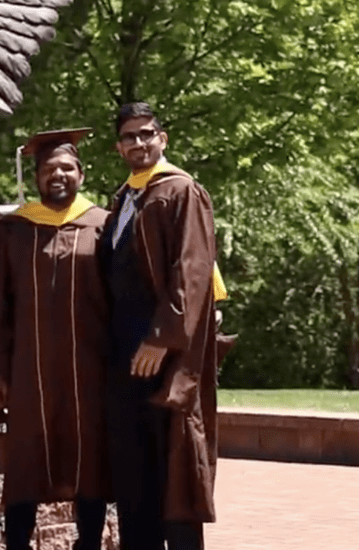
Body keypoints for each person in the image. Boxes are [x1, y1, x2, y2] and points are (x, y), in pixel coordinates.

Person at [100, 102, 222, 550]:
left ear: (162, 139)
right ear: (119, 147)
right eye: (129, 137)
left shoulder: (180, 191)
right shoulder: (127, 196)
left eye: (146, 134)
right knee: (136, 477)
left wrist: (160, 338)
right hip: (123, 354)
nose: (139, 143)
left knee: (174, 475)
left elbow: (192, 271)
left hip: (163, 355)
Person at [0, 128, 109, 550]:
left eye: (65, 167)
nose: (56, 174)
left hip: (90, 370)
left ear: (81, 173)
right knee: (26, 463)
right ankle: (17, 544)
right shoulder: (16, 230)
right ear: (37, 178)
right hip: (29, 369)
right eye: (47, 169)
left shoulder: (104, 227)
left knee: (90, 462)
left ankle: (89, 542)